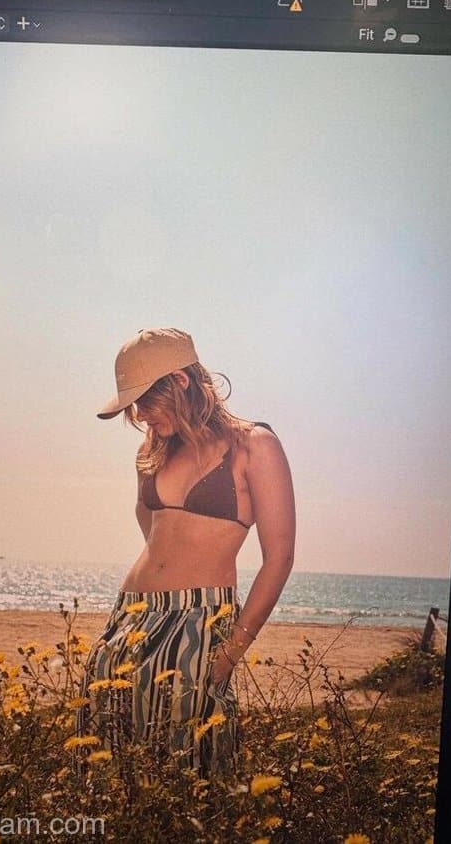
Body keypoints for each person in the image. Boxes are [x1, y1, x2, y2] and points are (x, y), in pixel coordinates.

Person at [74, 327, 295, 781]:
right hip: (130, 615)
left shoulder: (254, 445)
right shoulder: (152, 451)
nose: (139, 415)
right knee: (108, 757)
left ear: (180, 381)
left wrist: (230, 652)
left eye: (145, 401)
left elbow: (280, 557)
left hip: (199, 619)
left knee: (189, 767)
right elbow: (154, 534)